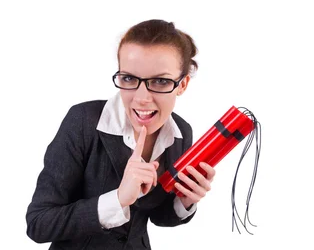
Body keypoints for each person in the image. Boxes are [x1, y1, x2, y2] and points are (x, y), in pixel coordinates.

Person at [26, 19, 216, 249]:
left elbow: (156, 215)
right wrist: (117, 199)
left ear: (183, 84)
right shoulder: (83, 122)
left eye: (160, 81)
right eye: (129, 78)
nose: (142, 97)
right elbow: (39, 223)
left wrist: (185, 200)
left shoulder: (180, 133)